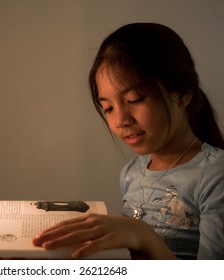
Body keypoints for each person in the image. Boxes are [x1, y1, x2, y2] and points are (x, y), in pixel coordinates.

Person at [33, 23, 224, 259]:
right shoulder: (131, 172)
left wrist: (143, 237)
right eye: (108, 108)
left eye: (134, 99)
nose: (121, 120)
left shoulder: (214, 174)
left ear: (182, 92)